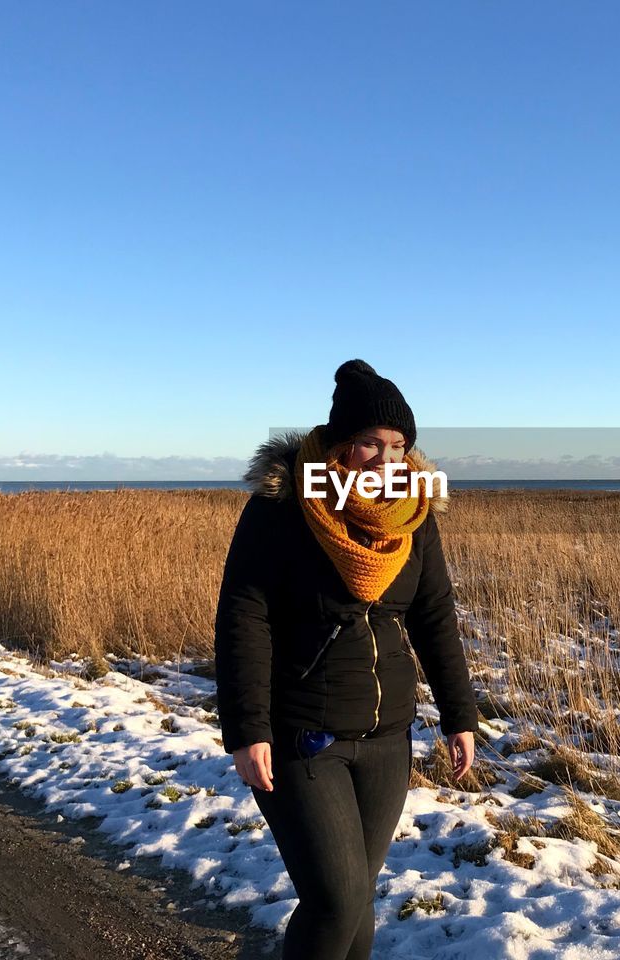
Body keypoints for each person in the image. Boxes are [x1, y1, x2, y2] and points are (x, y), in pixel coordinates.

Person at [214, 358, 479, 960]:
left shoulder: (414, 517)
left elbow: (434, 616)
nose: (386, 460)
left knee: (358, 900)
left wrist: (460, 714)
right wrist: (247, 729)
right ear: (339, 445)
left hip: (388, 737)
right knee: (335, 900)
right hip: (304, 731)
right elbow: (243, 619)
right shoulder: (281, 510)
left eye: (398, 445)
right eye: (369, 443)